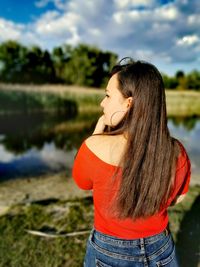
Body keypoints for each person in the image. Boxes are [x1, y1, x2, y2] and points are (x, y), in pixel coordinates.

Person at [72, 58, 191, 267]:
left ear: (129, 103)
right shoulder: (176, 151)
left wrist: (97, 134)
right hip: (161, 248)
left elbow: (82, 183)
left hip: (108, 253)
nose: (102, 103)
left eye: (108, 95)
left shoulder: (93, 147)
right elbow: (177, 199)